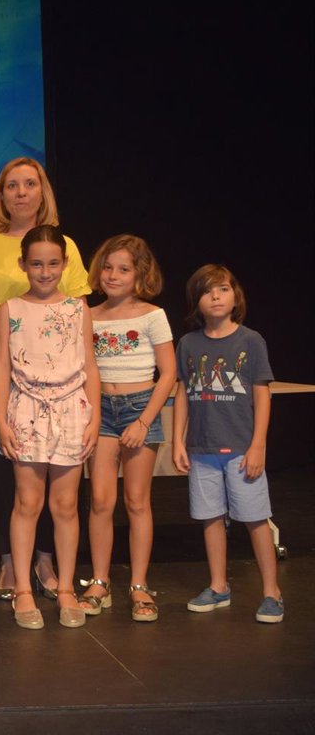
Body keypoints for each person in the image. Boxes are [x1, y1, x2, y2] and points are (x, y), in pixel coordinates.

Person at [0, 157, 90, 602]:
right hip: (2, 371)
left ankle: (45, 558)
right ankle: (8, 560)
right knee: (9, 475)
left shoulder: (65, 244)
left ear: (43, 191)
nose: (21, 192)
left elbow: (77, 317)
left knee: (56, 483)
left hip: (58, 384)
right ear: (0, 194)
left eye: (29, 184)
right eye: (11, 185)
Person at [0, 226, 100, 630]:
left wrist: (94, 417)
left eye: (53, 263)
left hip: (72, 410)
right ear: (23, 264)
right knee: (27, 502)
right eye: (36, 263)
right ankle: (23, 589)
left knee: (66, 505)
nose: (45, 271)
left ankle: (67, 588)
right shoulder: (10, 309)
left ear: (65, 264)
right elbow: (0, 367)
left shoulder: (78, 308)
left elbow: (90, 364)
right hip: (26, 410)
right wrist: (0, 419)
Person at [173, 265, 282, 624]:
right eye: (207, 291)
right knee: (210, 517)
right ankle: (218, 585)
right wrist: (178, 441)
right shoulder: (189, 344)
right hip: (202, 449)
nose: (216, 296)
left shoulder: (251, 341)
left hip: (241, 449)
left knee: (255, 519)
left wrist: (257, 445)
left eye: (222, 288)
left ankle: (272, 592)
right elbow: (183, 393)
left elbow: (262, 395)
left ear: (236, 296)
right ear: (196, 302)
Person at [79, 235, 175, 622]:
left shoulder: (153, 315)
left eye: (123, 269)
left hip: (139, 408)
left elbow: (168, 373)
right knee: (101, 501)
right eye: (108, 267)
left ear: (140, 274)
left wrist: (143, 420)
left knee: (137, 501)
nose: (113, 275)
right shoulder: (89, 314)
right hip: (101, 410)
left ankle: (138, 584)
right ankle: (99, 581)